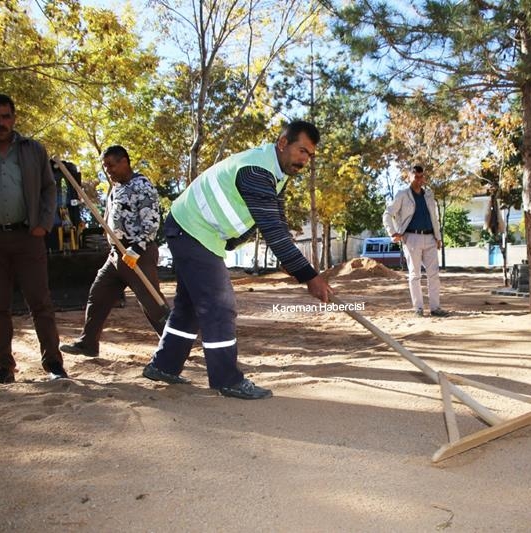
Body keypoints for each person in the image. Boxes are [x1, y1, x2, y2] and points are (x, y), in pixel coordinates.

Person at [143, 121, 333, 399]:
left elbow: (276, 221)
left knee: (189, 307)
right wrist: (309, 277)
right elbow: (274, 231)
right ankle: (226, 379)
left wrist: (293, 266)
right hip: (193, 230)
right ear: (283, 143)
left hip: (193, 231)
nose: (305, 160)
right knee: (220, 306)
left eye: (310, 155)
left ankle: (163, 366)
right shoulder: (257, 170)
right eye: (301, 150)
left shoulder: (275, 173)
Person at [0, 93, 67, 384]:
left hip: (29, 236)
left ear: (14, 118)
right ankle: (3, 368)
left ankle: (54, 365)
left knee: (41, 302)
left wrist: (44, 224)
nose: (1, 123)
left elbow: (50, 189)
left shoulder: (33, 150)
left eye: (6, 116)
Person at [60, 146, 167, 357]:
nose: (108, 170)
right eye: (105, 166)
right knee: (98, 294)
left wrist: (136, 249)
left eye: (111, 165)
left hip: (138, 254)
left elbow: (152, 221)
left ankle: (174, 345)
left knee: (151, 303)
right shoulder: (115, 188)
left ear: (125, 161)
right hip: (116, 255)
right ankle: (88, 343)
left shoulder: (141, 185)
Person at [383, 164, 447, 317]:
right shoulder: (402, 194)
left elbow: (434, 218)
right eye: (415, 177)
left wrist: (438, 237)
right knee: (415, 274)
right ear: (409, 177)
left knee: (434, 274)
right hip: (411, 238)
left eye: (421, 177)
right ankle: (418, 309)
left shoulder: (428, 195)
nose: (419, 180)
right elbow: (387, 214)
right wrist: (393, 233)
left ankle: (435, 308)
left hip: (430, 237)